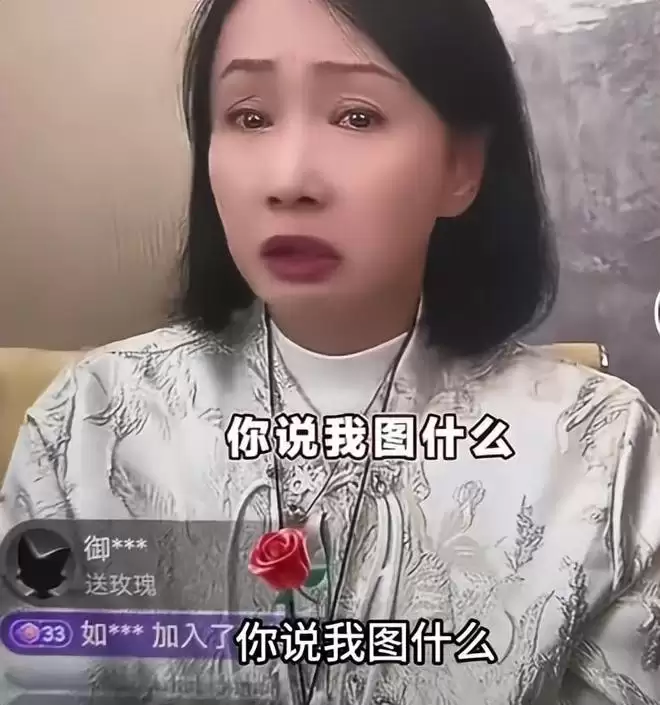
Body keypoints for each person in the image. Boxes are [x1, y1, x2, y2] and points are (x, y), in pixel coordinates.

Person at [1, 0, 659, 702]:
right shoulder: (91, 423)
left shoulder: (601, 450)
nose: (289, 181)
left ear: (461, 167)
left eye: (357, 117)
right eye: (249, 117)